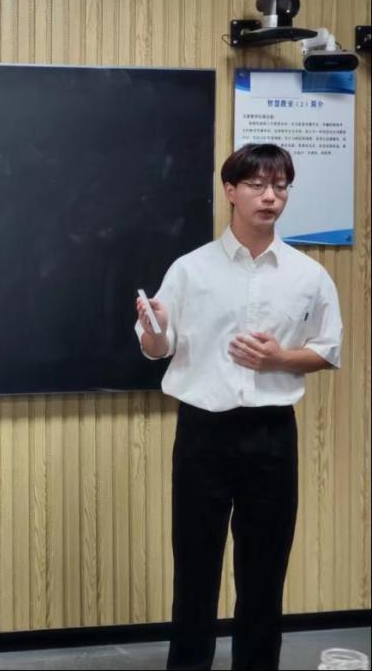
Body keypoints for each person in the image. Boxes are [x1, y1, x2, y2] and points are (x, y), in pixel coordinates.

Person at [135, 144, 342, 671]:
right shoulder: (190, 270)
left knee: (264, 576)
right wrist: (155, 331)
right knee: (195, 573)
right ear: (230, 191)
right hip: (202, 435)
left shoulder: (308, 275)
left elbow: (327, 350)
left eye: (280, 186)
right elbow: (158, 347)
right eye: (257, 185)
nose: (270, 197)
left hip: (272, 435)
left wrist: (280, 359)